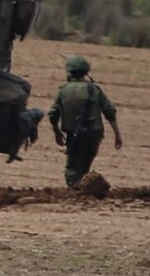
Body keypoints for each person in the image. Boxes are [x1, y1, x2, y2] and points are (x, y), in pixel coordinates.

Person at [47, 55, 123, 187]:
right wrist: (117, 134)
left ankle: (75, 192)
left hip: (74, 134)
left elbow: (53, 114)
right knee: (86, 165)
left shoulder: (64, 90)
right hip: (94, 133)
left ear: (69, 72)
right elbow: (109, 111)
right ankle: (85, 189)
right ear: (86, 72)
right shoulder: (95, 89)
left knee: (73, 167)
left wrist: (57, 132)